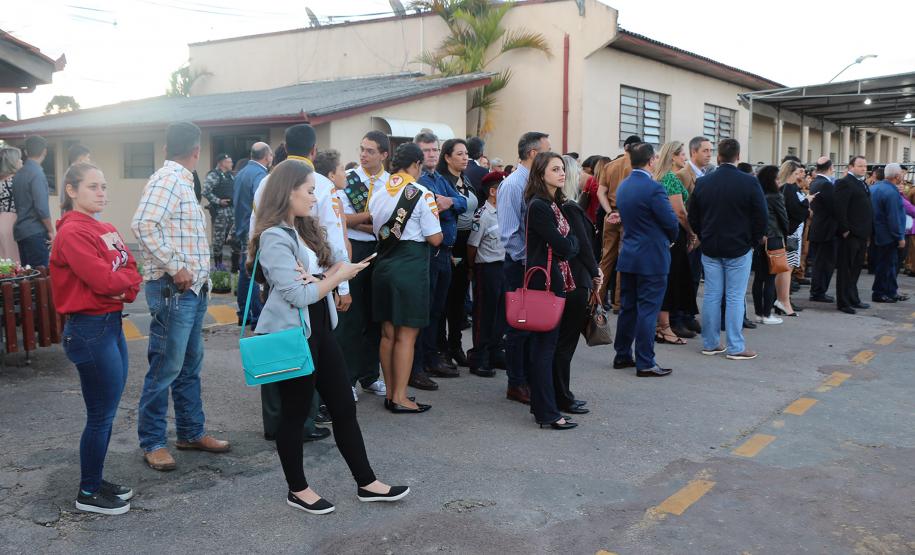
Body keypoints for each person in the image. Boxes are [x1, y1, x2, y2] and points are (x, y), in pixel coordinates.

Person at [249, 159, 408, 515]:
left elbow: (323, 272)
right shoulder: (274, 236)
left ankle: (367, 483)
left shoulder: (302, 229)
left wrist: (330, 273)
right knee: (294, 414)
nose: (314, 196)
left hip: (320, 328)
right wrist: (336, 277)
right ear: (287, 192)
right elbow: (299, 294)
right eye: (308, 190)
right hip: (297, 333)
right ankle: (298, 489)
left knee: (344, 407)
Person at [131, 122, 229, 471]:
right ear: (197, 151)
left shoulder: (181, 180)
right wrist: (176, 266)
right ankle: (153, 441)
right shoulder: (169, 180)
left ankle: (190, 431)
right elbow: (143, 224)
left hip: (191, 290)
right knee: (166, 367)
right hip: (175, 289)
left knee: (188, 366)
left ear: (165, 148)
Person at [50, 162, 142, 515]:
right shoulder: (72, 233)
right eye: (92, 186)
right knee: (101, 414)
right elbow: (103, 279)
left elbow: (131, 268)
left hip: (110, 325)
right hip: (89, 330)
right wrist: (121, 284)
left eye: (103, 186)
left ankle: (95, 478)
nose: (101, 192)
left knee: (107, 410)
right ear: (71, 191)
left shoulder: (104, 227)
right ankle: (87, 491)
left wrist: (124, 286)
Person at [254, 124, 351, 442]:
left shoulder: (266, 181)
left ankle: (277, 422)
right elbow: (334, 240)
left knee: (282, 353)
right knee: (295, 357)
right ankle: (298, 425)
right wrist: (341, 284)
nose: (312, 196)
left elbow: (253, 227)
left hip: (282, 281)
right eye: (308, 193)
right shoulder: (319, 183)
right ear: (313, 150)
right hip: (301, 289)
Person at [370, 143, 443, 413]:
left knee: (388, 334)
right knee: (406, 336)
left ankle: (391, 393)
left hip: (384, 266)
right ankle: (401, 397)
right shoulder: (422, 194)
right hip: (410, 268)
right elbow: (435, 238)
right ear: (416, 165)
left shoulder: (379, 192)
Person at [688, 139, 767, 361]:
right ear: (738, 156)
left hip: (711, 246)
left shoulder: (703, 182)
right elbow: (761, 216)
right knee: (734, 296)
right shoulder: (749, 182)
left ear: (718, 157)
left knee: (712, 295)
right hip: (739, 247)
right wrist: (752, 241)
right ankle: (735, 346)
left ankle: (711, 343)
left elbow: (693, 216)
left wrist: (703, 236)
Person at [612, 143, 679, 376]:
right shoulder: (653, 188)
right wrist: (671, 238)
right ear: (651, 161)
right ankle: (645, 361)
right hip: (651, 256)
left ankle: (622, 354)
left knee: (628, 308)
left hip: (629, 253)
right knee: (648, 309)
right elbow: (670, 221)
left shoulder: (623, 185)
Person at [522, 152, 578, 429]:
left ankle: (544, 406)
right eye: (555, 169)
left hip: (554, 278)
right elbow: (565, 246)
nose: (562, 173)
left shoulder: (552, 203)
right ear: (541, 172)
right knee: (544, 348)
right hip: (545, 281)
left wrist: (570, 244)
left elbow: (567, 244)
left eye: (562, 168)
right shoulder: (540, 205)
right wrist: (571, 244)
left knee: (545, 346)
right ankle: (546, 412)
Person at [334, 131, 391, 399]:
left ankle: (370, 375)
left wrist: (366, 222)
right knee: (351, 317)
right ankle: (347, 378)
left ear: (384, 154)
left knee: (374, 315)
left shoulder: (391, 183)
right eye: (362, 149)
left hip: (381, 250)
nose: (364, 155)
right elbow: (342, 218)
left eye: (370, 151)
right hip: (354, 249)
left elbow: (390, 223)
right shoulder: (350, 179)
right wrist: (370, 220)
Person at [498, 131, 551, 405]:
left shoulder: (534, 181)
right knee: (519, 326)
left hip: (535, 266)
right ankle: (516, 383)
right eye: (547, 150)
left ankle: (529, 378)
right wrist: (528, 263)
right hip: (521, 266)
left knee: (534, 324)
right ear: (533, 154)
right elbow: (509, 234)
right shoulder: (513, 185)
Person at [412, 131, 467, 388]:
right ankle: (419, 363)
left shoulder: (439, 178)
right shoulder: (418, 181)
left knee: (437, 309)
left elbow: (463, 202)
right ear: (417, 154)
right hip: (429, 252)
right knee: (425, 309)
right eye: (426, 150)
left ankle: (431, 356)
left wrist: (449, 202)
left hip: (445, 251)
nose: (432, 154)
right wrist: (445, 203)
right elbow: (431, 206)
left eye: (434, 150)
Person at [553, 155, 599, 412]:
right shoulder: (569, 207)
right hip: (576, 279)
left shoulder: (562, 206)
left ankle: (560, 393)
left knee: (562, 341)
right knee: (565, 342)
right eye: (579, 171)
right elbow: (582, 246)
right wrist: (596, 273)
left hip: (571, 277)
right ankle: (562, 396)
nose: (584, 175)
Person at [652, 141, 699, 343]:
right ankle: (668, 324)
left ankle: (665, 323)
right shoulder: (670, 178)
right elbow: (679, 212)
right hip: (675, 233)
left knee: (668, 278)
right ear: (672, 156)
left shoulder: (658, 177)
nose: (685, 158)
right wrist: (691, 232)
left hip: (663, 233)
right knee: (674, 278)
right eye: (682, 155)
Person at [438, 138, 477, 369]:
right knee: (444, 298)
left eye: (466, 154)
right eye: (460, 154)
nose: (465, 158)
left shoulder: (467, 179)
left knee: (459, 298)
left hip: (467, 241)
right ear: (447, 157)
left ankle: (456, 345)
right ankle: (442, 348)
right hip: (449, 242)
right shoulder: (443, 182)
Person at [466, 171, 506, 378]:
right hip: (487, 268)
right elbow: (472, 246)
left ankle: (494, 351)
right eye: (503, 188)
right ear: (493, 192)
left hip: (503, 267)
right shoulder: (483, 216)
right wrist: (472, 268)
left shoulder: (505, 212)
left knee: (501, 313)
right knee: (484, 314)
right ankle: (478, 356)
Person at [597, 135, 641, 310]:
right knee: (625, 260)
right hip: (629, 216)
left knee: (606, 258)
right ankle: (619, 302)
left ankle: (597, 298)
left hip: (611, 215)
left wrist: (609, 212)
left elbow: (601, 193)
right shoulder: (638, 167)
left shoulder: (609, 166)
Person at [234, 142, 273, 327]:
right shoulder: (260, 175)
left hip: (242, 228)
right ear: (267, 156)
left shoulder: (241, 172)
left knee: (246, 272)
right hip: (254, 230)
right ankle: (257, 316)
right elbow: (263, 204)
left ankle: (244, 313)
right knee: (256, 273)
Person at [833, 156, 873, 314]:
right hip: (850, 234)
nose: (864, 169)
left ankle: (853, 298)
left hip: (862, 234)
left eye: (865, 166)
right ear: (851, 167)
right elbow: (839, 208)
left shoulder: (862, 183)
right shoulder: (844, 183)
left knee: (856, 268)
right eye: (860, 166)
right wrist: (845, 230)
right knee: (846, 269)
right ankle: (843, 302)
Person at [751, 166, 789, 325]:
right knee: (770, 277)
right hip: (773, 239)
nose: (779, 181)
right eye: (777, 178)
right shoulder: (776, 196)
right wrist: (786, 234)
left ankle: (759, 313)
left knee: (758, 278)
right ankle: (767, 314)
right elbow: (784, 219)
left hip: (758, 239)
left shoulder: (757, 194)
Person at [12, 135, 54, 268]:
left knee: (28, 276)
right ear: (45, 151)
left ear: (25, 152)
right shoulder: (37, 173)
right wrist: (51, 230)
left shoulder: (18, 173)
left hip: (21, 231)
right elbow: (41, 207)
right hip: (35, 231)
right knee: (40, 275)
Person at [775, 160, 810, 317]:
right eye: (796, 173)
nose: (798, 177)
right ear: (789, 173)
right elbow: (795, 210)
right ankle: (783, 300)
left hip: (791, 232)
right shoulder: (787, 189)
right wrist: (807, 203)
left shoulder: (785, 188)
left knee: (787, 268)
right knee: (786, 268)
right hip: (790, 233)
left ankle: (783, 299)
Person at [870, 163, 908, 303]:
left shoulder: (874, 188)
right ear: (897, 176)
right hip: (888, 235)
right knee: (886, 265)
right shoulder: (891, 192)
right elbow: (894, 217)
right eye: (901, 175)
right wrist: (899, 237)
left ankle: (891, 291)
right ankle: (879, 293)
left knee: (889, 264)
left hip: (877, 233)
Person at [807, 157, 838, 302]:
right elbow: (834, 207)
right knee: (824, 263)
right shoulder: (826, 185)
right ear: (830, 168)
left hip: (818, 227)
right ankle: (818, 292)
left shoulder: (815, 182)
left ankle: (817, 290)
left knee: (819, 262)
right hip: (826, 230)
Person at [203, 153, 238, 270]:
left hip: (232, 211)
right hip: (220, 213)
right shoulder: (214, 175)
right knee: (219, 239)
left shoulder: (230, 176)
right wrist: (218, 201)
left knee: (234, 237)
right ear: (222, 163)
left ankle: (235, 266)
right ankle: (218, 266)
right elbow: (205, 191)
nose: (232, 164)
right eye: (229, 162)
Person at [0, 146, 22, 261]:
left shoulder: (1, 181)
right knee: (14, 259)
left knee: (4, 259)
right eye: (19, 159)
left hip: (2, 219)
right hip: (13, 221)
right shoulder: (16, 180)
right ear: (12, 162)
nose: (21, 161)